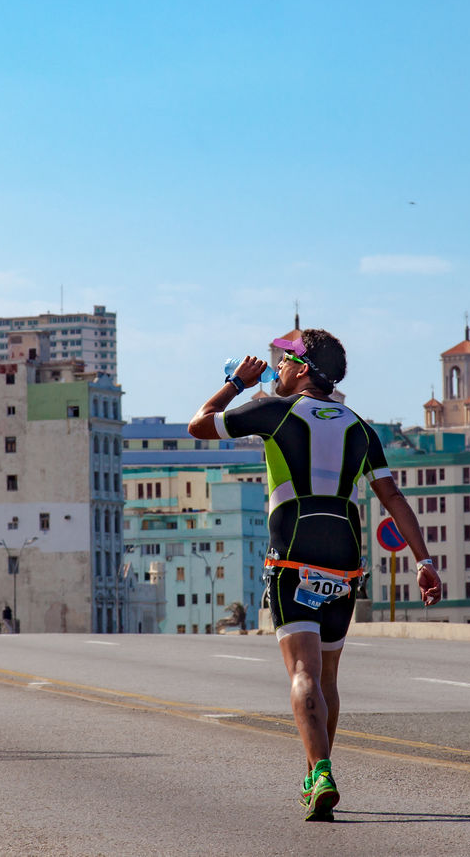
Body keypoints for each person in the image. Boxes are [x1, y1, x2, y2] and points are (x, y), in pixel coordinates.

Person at [189, 328, 442, 821]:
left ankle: (321, 772)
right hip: (345, 561)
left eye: (284, 360)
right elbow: (392, 498)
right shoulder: (360, 428)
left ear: (303, 368)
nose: (277, 367)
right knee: (326, 677)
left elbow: (199, 425)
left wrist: (237, 383)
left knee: (303, 674)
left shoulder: (272, 410)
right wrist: (423, 561)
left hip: (293, 554)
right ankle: (315, 774)